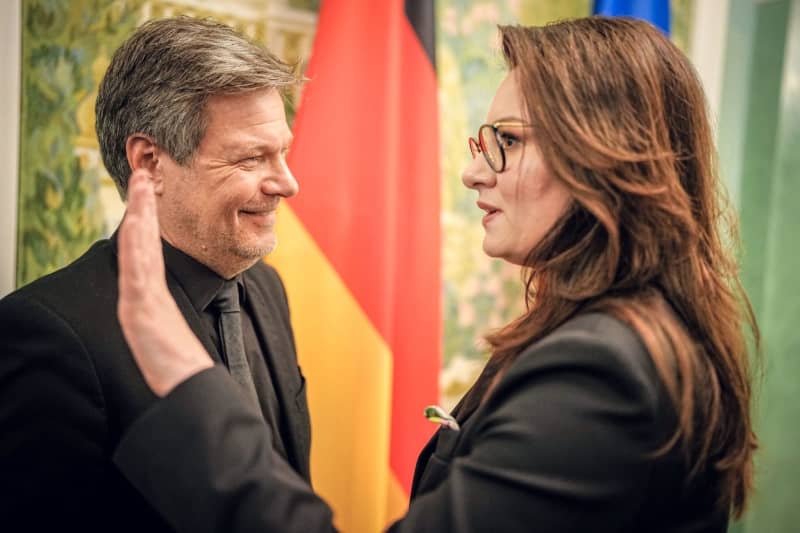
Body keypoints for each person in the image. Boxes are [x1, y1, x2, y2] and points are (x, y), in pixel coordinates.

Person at [112, 17, 758, 532]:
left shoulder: (605, 370)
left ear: (603, 152)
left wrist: (185, 380)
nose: (475, 172)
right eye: (484, 143)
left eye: (507, 140)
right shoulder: (618, 334)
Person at [0, 17, 311, 532]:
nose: (288, 183)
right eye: (253, 158)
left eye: (283, 151)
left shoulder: (267, 289)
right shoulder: (46, 334)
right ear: (149, 162)